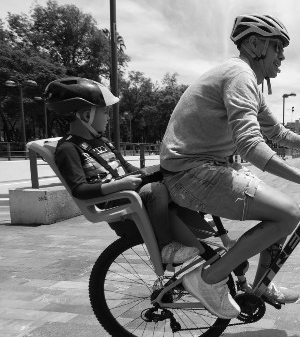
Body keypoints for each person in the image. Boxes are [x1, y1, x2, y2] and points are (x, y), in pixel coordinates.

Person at [160, 14, 300, 319]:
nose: (283, 56)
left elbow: (277, 133)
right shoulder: (240, 76)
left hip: (202, 168)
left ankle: (260, 285)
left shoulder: (245, 79)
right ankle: (208, 280)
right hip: (191, 173)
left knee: (279, 209)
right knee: (288, 213)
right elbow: (250, 145)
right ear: (254, 44)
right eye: (278, 47)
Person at [46, 77, 200, 265]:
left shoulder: (103, 142)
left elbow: (128, 169)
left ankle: (195, 230)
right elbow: (79, 189)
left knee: (173, 175)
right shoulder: (68, 148)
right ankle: (166, 247)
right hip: (117, 204)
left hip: (128, 192)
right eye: (105, 112)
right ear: (87, 116)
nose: (108, 118)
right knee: (156, 191)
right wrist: (120, 184)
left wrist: (155, 173)